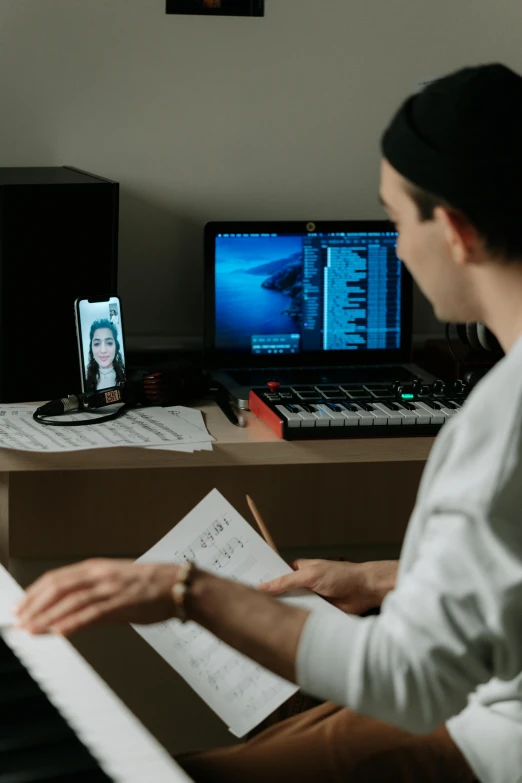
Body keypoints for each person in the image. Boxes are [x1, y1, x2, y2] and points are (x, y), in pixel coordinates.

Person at [14, 63, 522, 783]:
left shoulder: (501, 422)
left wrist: (185, 590)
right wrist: (378, 576)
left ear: (459, 232)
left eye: (397, 219)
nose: (399, 250)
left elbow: (409, 681)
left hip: (488, 736)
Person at [85, 318, 125, 392]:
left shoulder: (127, 378)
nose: (103, 350)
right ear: (91, 348)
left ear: (116, 347)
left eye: (109, 343)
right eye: (97, 344)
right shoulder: (85, 384)